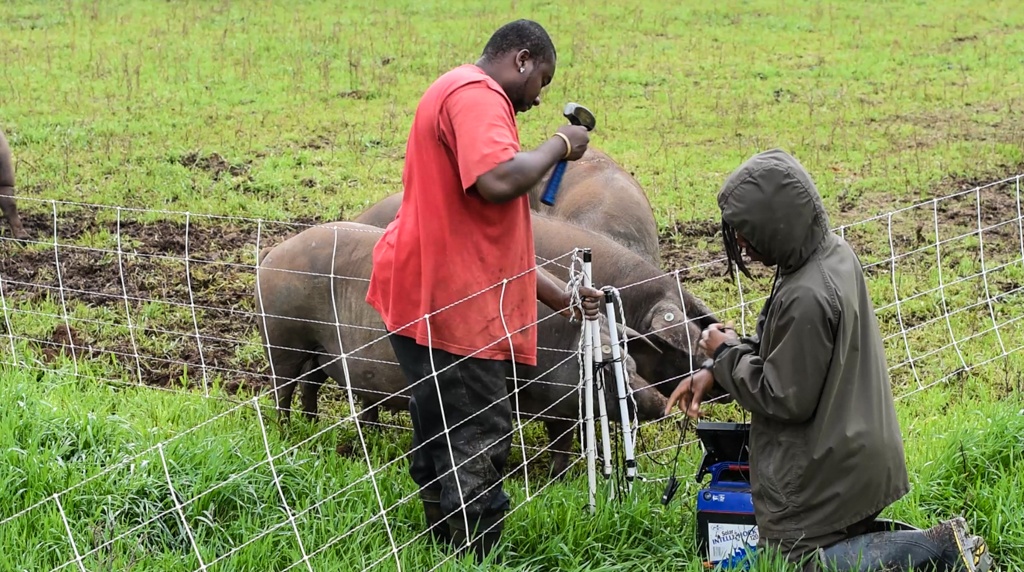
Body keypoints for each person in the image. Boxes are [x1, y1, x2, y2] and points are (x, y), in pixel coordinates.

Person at [665, 149, 994, 571]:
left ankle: (941, 549)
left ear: (776, 220)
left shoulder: (807, 291)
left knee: (800, 562)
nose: (741, 243)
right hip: (850, 450)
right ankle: (930, 547)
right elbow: (781, 348)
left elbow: (784, 396)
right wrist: (717, 371)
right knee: (838, 541)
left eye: (745, 231)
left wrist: (725, 355)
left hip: (824, 466)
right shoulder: (825, 257)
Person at [365, 19, 603, 563]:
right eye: (542, 79)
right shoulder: (476, 95)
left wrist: (558, 295)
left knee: (439, 429)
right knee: (479, 436)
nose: (540, 97)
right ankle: (476, 554)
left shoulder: (460, 92)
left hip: (426, 290)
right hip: (453, 306)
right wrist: (560, 145)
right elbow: (497, 180)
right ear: (521, 60)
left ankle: (441, 549)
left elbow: (488, 237)